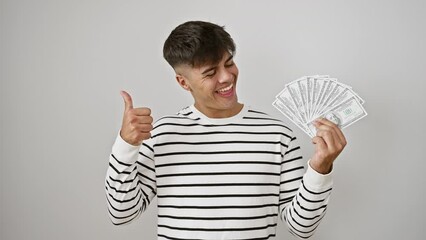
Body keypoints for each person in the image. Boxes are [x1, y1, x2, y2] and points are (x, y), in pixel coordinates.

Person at [105, 20, 346, 240]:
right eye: (210, 73)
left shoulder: (278, 135)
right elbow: (121, 213)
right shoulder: (161, 135)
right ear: (183, 82)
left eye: (229, 63)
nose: (226, 77)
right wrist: (125, 146)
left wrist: (320, 168)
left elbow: (301, 227)